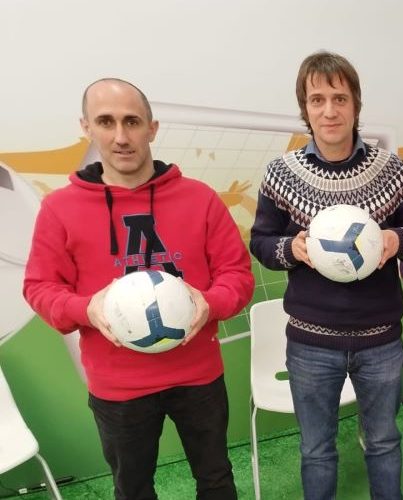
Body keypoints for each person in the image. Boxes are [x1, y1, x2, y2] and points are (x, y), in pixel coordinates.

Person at [22, 78, 253, 500]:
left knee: (216, 478)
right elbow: (40, 288)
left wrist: (210, 303)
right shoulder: (60, 208)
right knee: (132, 489)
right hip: (118, 386)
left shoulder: (199, 198)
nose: (121, 136)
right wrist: (85, 309)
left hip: (198, 374)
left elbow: (237, 275)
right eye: (105, 122)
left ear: (152, 128)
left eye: (132, 121)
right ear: (86, 128)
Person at [249, 51, 403, 500]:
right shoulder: (281, 174)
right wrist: (291, 249)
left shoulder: (390, 169)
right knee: (316, 450)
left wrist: (395, 241)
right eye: (317, 100)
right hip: (310, 342)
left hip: (380, 339)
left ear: (356, 105)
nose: (329, 111)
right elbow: (261, 243)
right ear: (305, 108)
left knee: (383, 441)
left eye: (340, 99)